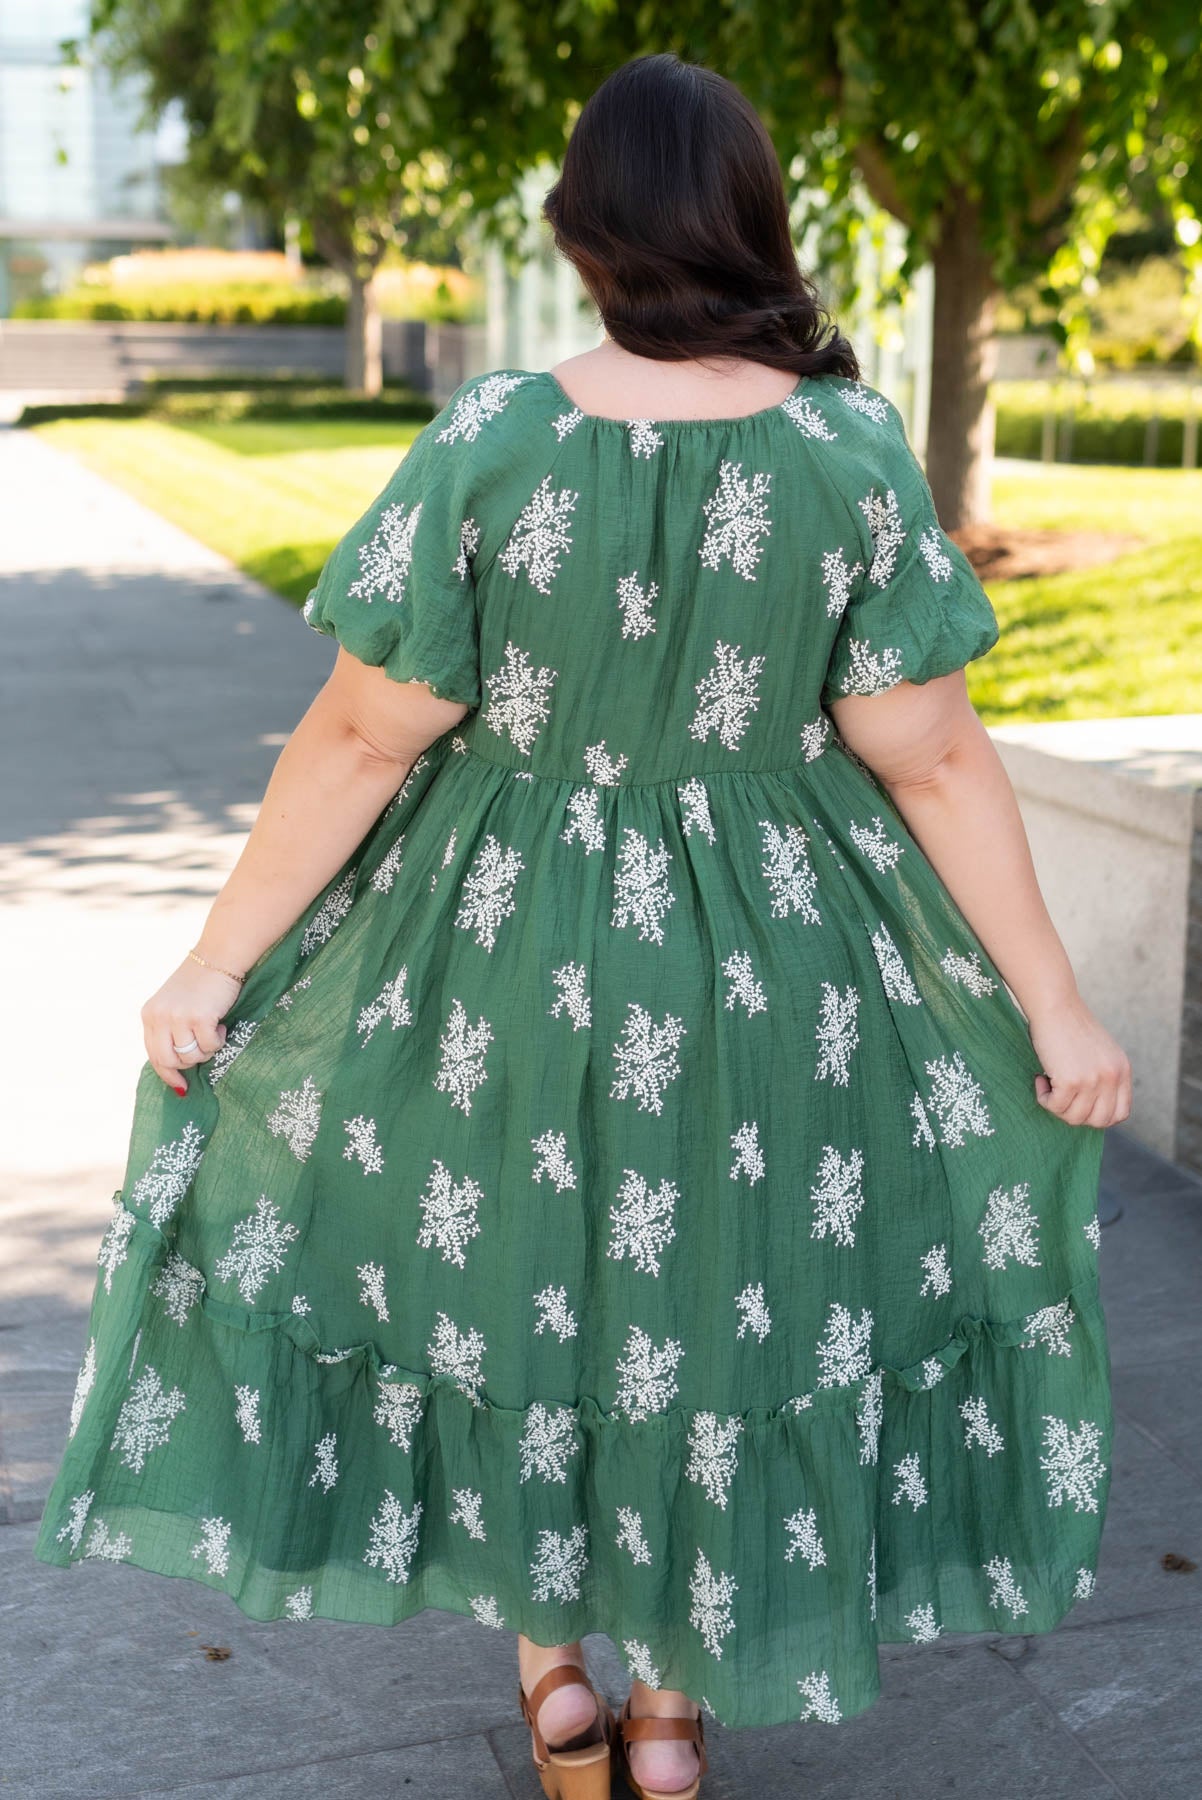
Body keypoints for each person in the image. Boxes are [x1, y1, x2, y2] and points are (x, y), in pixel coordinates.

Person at [34, 50, 1130, 1800]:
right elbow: (927, 756)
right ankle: (675, 1707)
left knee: (519, 1284)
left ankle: (554, 1681)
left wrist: (217, 960)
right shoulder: (842, 446)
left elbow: (361, 734)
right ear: (752, 220)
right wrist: (1054, 1006)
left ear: (586, 225)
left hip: (503, 944)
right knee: (727, 1299)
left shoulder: (493, 437)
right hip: (775, 959)